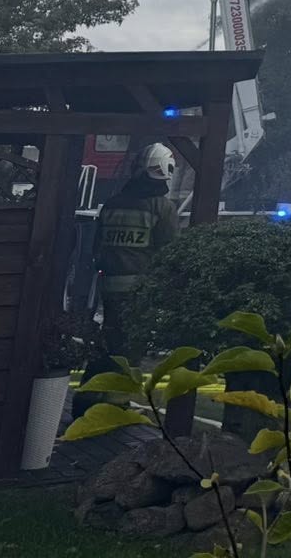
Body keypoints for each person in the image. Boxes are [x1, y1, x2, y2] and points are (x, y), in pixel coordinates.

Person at [79, 143, 180, 397]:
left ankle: (88, 394)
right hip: (138, 291)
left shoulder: (112, 204)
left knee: (108, 341)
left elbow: (96, 247)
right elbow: (169, 251)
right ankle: (116, 404)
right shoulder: (162, 208)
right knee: (130, 349)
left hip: (108, 287)